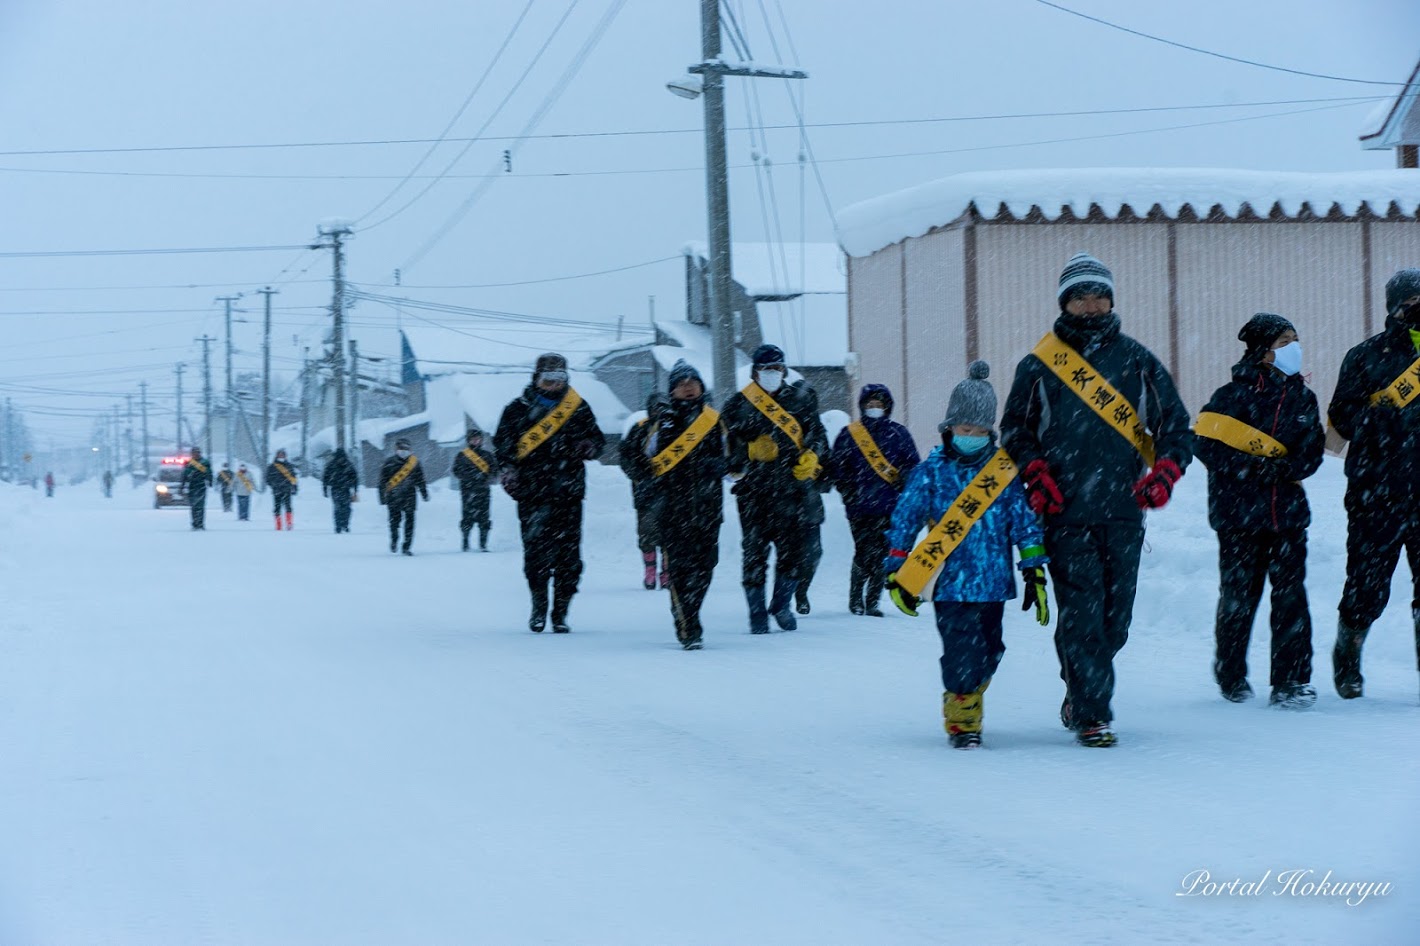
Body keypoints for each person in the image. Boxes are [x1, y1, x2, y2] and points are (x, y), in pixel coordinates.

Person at [1000, 253, 1193, 747]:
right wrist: (1036, 472)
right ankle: (1092, 713)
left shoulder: (1136, 360)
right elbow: (1015, 431)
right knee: (1083, 613)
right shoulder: (1039, 366)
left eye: (1098, 294)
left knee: (1115, 621)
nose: (1091, 304)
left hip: (1124, 511)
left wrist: (1166, 472)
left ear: (1111, 299)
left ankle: (1078, 687)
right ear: (1065, 302)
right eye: (1080, 296)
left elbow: (1175, 424)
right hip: (1064, 512)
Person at [884, 362, 1047, 748]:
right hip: (948, 584)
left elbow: (1024, 523)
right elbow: (905, 519)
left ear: (990, 432)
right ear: (949, 428)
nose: (969, 436)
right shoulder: (931, 472)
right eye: (963, 429)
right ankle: (963, 722)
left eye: (977, 431)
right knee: (960, 653)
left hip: (992, 584)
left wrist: (1034, 570)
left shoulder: (1003, 474)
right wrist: (896, 569)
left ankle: (969, 692)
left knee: (991, 650)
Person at [1194, 314, 1324, 708]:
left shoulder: (1304, 398)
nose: (1294, 348)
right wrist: (1250, 468)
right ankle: (1231, 674)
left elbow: (1313, 450)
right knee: (1239, 598)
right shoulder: (1230, 396)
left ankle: (1291, 681)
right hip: (1238, 518)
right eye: (1285, 341)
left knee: (1290, 599)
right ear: (1261, 350)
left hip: (1288, 516)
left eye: (1295, 340)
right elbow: (1205, 445)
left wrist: (1288, 467)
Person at [1327, 267, 1420, 700]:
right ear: (1395, 308)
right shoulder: (1364, 356)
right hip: (1375, 491)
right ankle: (1347, 655)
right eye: (1413, 303)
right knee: (1367, 587)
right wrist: (1376, 417)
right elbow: (1341, 420)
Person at [721, 343, 829, 634]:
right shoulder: (737, 404)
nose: (772, 373)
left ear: (784, 370)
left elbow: (818, 434)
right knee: (754, 554)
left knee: (792, 553)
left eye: (777, 368)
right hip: (754, 494)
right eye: (766, 369)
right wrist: (747, 451)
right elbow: (726, 453)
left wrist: (813, 455)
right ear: (755, 371)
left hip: (792, 491)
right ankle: (756, 611)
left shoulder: (799, 400)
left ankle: (781, 605)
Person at [494, 352, 605, 633]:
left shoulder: (578, 408)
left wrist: (588, 446)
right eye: (549, 379)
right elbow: (503, 447)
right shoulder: (516, 410)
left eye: (560, 379)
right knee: (536, 553)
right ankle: (539, 605)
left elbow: (599, 440)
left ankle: (561, 612)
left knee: (569, 556)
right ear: (537, 378)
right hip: (531, 492)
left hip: (569, 491)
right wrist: (508, 471)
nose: (554, 384)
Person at [632, 360, 725, 649]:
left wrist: (716, 465)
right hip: (672, 510)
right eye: (681, 383)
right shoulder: (659, 423)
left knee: (706, 568)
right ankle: (689, 626)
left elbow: (736, 460)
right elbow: (634, 458)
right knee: (681, 569)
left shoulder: (715, 421)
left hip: (708, 509)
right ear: (672, 390)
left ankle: (689, 609)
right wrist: (650, 481)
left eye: (692, 382)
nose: (688, 387)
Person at [828, 383, 921, 616]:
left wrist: (905, 479)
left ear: (887, 407)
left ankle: (872, 601)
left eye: (879, 405)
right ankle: (855, 598)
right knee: (863, 551)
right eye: (870, 405)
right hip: (859, 506)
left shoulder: (899, 434)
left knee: (882, 553)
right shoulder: (850, 434)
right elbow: (837, 466)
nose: (875, 408)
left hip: (890, 505)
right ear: (862, 406)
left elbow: (913, 464)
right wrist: (848, 490)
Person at [619, 392, 670, 589]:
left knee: (670, 535)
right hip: (645, 492)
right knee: (647, 533)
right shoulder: (638, 429)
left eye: (664, 406)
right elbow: (625, 458)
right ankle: (649, 570)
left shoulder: (674, 429)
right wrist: (639, 473)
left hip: (672, 491)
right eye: (656, 407)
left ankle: (667, 572)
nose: (660, 411)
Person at [378, 438, 428, 555]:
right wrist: (382, 497)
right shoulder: (389, 462)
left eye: (406, 449)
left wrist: (424, 493)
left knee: (410, 522)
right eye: (401, 448)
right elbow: (382, 481)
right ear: (396, 449)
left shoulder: (415, 463)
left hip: (409, 496)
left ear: (410, 450)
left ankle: (407, 546)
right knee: (394, 522)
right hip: (393, 497)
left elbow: (421, 480)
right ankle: (394, 540)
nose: (403, 451)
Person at [453, 427, 497, 551]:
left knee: (485, 518)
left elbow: (494, 471)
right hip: (468, 491)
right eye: (473, 439)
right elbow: (456, 471)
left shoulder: (487, 455)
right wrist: (471, 477)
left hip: (483, 491)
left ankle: (483, 544)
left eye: (478, 439)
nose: (476, 441)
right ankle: (465, 542)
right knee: (467, 518)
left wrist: (486, 478)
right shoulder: (462, 456)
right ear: (468, 440)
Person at [322, 448, 359, 534]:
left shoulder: (346, 465)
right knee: (339, 508)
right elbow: (325, 477)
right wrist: (325, 489)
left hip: (344, 489)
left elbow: (354, 477)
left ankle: (344, 525)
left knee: (345, 508)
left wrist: (355, 489)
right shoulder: (333, 465)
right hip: (337, 489)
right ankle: (339, 526)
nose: (340, 459)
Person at [182, 447, 213, 530]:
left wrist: (210, 481)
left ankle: (200, 523)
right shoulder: (188, 463)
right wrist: (182, 485)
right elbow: (184, 475)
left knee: (201, 506)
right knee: (193, 506)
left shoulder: (205, 462)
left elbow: (209, 472)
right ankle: (195, 523)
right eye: (194, 453)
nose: (196, 454)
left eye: (197, 453)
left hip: (201, 486)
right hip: (192, 486)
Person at [267, 449, 298, 531]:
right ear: (277, 456)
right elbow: (268, 478)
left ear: (285, 456)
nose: (281, 456)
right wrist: (273, 485)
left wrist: (295, 487)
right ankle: (278, 525)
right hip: (277, 490)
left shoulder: (289, 466)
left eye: (282, 455)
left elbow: (293, 477)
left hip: (287, 489)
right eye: (280, 455)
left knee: (288, 507)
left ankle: (289, 524)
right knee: (277, 508)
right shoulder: (272, 466)